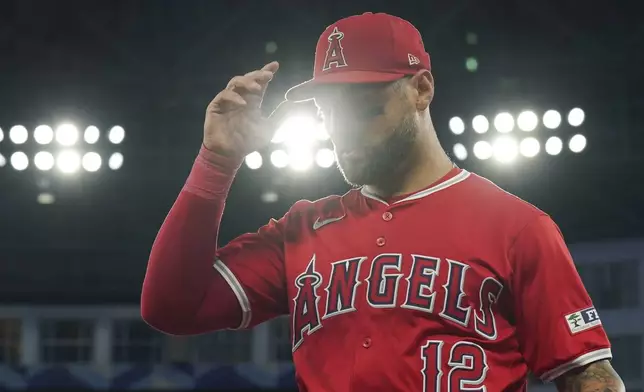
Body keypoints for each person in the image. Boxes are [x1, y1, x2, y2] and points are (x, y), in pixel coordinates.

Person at [141, 12, 625, 392]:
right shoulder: (303, 229)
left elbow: (589, 377)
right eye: (328, 107)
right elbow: (170, 308)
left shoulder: (518, 226)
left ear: (422, 88)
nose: (342, 125)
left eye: (363, 102)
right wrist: (216, 162)